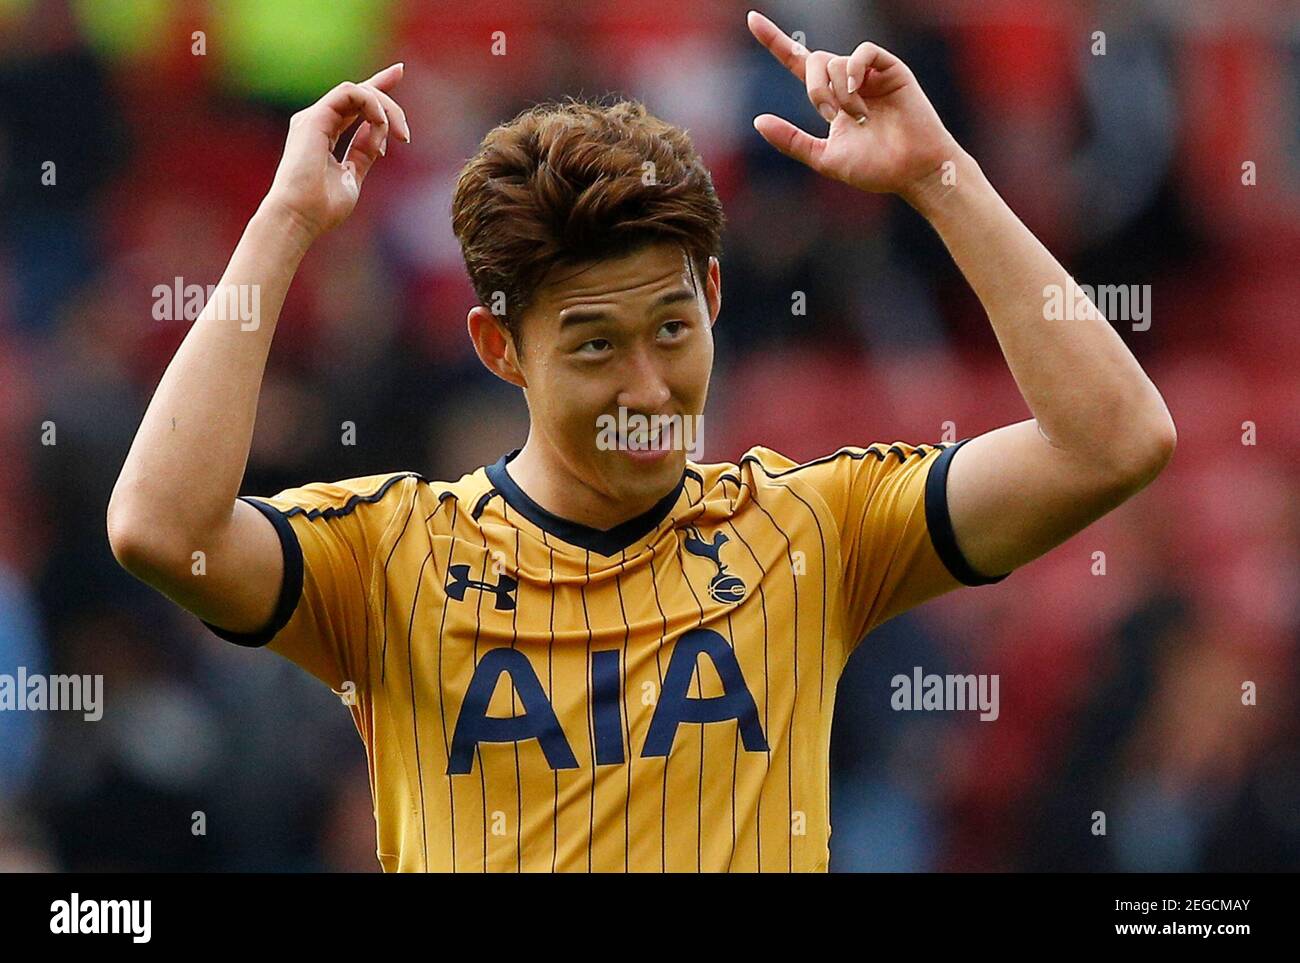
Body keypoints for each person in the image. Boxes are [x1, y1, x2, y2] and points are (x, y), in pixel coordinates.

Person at [108, 12, 1175, 872]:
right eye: (592, 346)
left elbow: (1111, 443)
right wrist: (284, 222)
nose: (647, 386)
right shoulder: (388, 559)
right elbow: (160, 527)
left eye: (673, 328)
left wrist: (939, 175)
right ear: (499, 349)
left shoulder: (815, 530)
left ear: (714, 295)